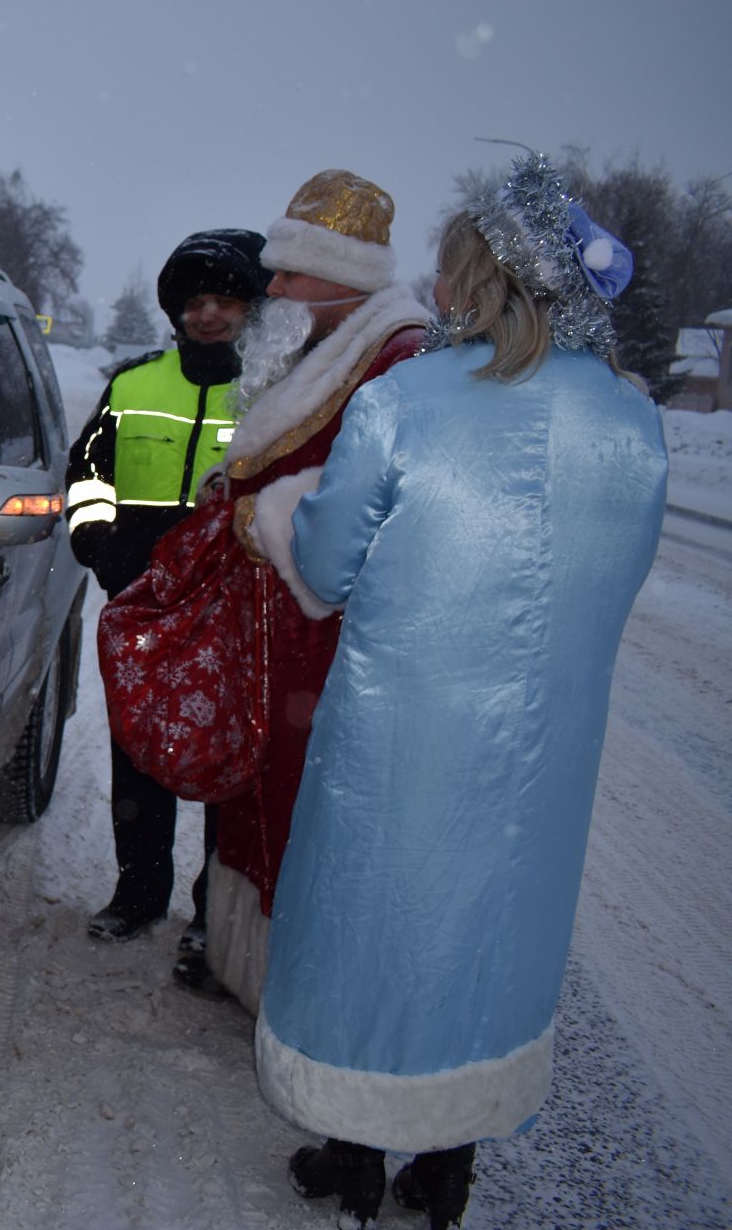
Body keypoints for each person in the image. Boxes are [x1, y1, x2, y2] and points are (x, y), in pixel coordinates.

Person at [250, 151, 666, 1229]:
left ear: (475, 279)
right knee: (491, 928)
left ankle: (352, 1148)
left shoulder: (404, 403)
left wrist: (282, 512)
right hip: (546, 750)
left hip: (402, 734)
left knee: (375, 921)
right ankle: (448, 1164)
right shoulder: (634, 425)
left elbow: (328, 568)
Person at [201, 171, 431, 1012]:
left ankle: (297, 990)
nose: (275, 288)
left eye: (292, 274)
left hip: (326, 639)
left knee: (302, 809)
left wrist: (260, 511)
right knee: (262, 794)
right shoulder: (334, 343)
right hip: (286, 636)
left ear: (343, 278)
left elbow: (363, 501)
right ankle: (251, 967)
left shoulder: (396, 357)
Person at [66, 229, 268, 996]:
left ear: (250, 308)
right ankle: (138, 893)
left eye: (224, 301)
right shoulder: (133, 385)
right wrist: (106, 556)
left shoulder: (273, 393)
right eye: (194, 301)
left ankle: (212, 919)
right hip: (144, 604)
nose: (207, 315)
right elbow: (85, 476)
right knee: (139, 751)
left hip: (230, 613)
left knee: (224, 761)